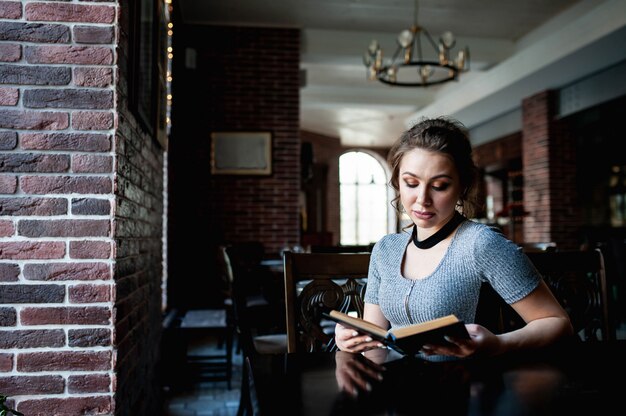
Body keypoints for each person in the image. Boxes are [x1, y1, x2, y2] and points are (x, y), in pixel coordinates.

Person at [334, 116, 573, 359]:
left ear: (463, 186)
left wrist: (499, 344)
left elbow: (558, 322)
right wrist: (351, 340)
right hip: (399, 388)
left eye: (439, 186)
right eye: (411, 183)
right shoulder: (386, 250)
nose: (422, 199)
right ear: (397, 182)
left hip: (467, 387)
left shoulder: (481, 244)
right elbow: (374, 337)